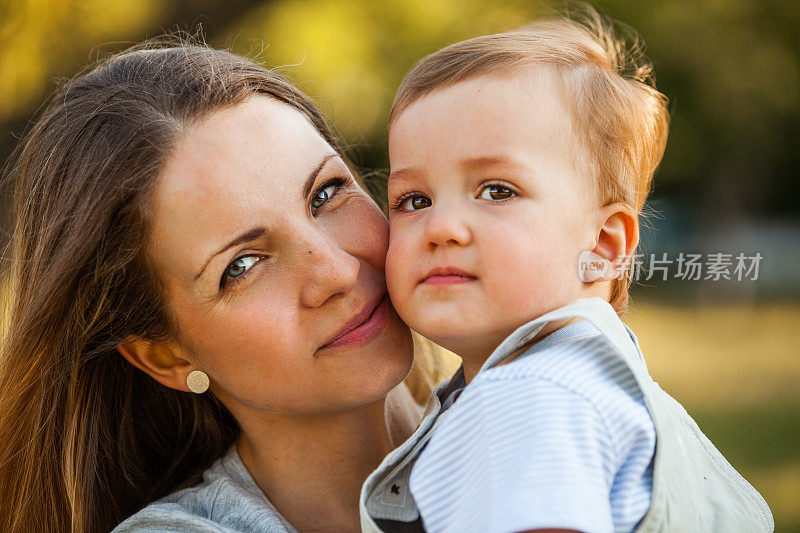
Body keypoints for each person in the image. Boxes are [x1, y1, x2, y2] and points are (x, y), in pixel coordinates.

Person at [0, 39, 446, 533]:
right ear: (166, 355)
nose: (337, 272)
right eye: (242, 265)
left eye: (326, 193)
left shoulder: (533, 395)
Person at [360, 9, 774, 533]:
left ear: (603, 244)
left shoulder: (531, 395)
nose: (441, 227)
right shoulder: (569, 379)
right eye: (414, 199)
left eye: (497, 191)